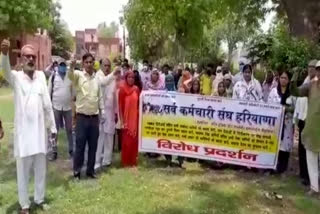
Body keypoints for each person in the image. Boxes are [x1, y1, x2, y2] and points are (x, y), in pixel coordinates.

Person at [1, 40, 57, 214]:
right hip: (24, 136)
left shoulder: (40, 76)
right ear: (21, 58)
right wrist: (3, 54)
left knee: (40, 170)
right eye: (27, 56)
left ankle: (39, 199)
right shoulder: (16, 77)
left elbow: (47, 105)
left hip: (40, 134)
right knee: (23, 173)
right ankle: (24, 204)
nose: (31, 59)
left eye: (33, 56)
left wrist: (52, 128)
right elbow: (4, 70)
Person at [68, 53, 104, 180]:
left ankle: (90, 170)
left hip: (94, 118)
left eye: (91, 62)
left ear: (93, 63)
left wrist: (102, 112)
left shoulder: (97, 79)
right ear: (83, 64)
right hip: (82, 118)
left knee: (93, 146)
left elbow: (100, 97)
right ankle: (77, 171)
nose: (89, 64)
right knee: (80, 146)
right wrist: (71, 67)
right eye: (86, 62)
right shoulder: (78, 75)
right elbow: (70, 75)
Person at [291, 60, 320, 195]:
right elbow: (296, 92)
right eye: (318, 69)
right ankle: (314, 188)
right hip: (312, 129)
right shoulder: (310, 85)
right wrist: (294, 77)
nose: (319, 71)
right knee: (311, 159)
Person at [95, 60, 120, 170]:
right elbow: (103, 82)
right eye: (105, 65)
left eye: (109, 66)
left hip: (110, 111)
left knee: (109, 135)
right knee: (100, 136)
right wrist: (113, 74)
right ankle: (96, 160)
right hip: (100, 110)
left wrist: (116, 112)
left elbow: (115, 95)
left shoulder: (113, 78)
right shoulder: (98, 76)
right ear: (101, 66)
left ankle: (107, 160)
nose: (107, 67)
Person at [268, 71, 295, 174]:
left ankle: (283, 167)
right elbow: (269, 105)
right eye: (282, 77)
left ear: (288, 80)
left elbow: (295, 108)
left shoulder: (292, 93)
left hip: (287, 123)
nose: (283, 80)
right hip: (275, 122)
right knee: (275, 144)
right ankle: (272, 166)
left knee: (285, 144)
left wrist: (286, 109)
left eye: (285, 78)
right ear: (279, 79)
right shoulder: (274, 91)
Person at [47, 58, 73, 161]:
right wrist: (48, 107)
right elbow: (48, 92)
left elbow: (73, 90)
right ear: (58, 66)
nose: (62, 67)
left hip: (68, 107)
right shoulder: (53, 76)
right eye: (61, 65)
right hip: (56, 107)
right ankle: (54, 151)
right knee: (54, 131)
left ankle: (71, 150)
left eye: (64, 65)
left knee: (70, 130)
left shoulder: (69, 75)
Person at [118, 71, 140, 167]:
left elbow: (139, 103)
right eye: (129, 77)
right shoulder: (122, 90)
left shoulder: (136, 89)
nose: (131, 79)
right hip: (126, 120)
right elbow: (120, 106)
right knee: (126, 142)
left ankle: (133, 161)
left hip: (135, 119)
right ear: (126, 78)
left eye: (132, 77)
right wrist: (122, 121)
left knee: (134, 141)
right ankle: (126, 162)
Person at [293, 67, 309, 186]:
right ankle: (304, 174)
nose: (311, 70)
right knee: (302, 148)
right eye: (310, 68)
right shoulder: (306, 83)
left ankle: (311, 175)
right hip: (303, 120)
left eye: (314, 68)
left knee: (312, 149)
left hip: (313, 121)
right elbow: (299, 100)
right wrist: (297, 119)